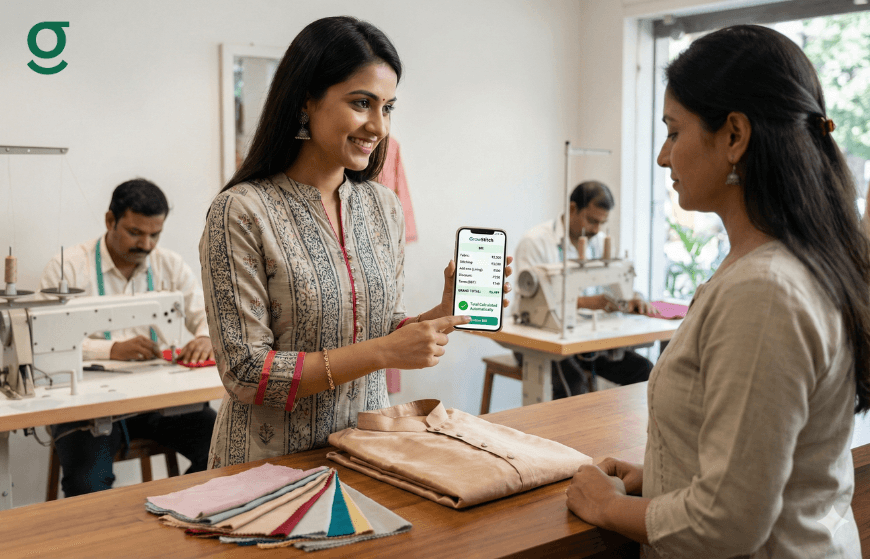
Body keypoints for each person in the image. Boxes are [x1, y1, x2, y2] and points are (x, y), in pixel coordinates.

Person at [565, 25, 870, 558]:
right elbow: (763, 463)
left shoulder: (766, 290)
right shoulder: (788, 264)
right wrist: (659, 476)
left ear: (734, 136)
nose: (663, 157)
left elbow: (728, 522)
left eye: (674, 132)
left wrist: (607, 506)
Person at [200, 16, 512, 468]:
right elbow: (247, 372)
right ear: (307, 100)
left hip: (365, 455)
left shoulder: (382, 206)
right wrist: (383, 352)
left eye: (387, 107)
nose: (379, 126)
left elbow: (375, 331)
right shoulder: (242, 210)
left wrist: (439, 315)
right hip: (266, 466)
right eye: (362, 103)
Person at [40, 178, 217, 497]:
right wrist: (111, 349)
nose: (147, 244)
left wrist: (205, 336)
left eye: (155, 234)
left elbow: (207, 314)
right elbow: (46, 340)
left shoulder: (169, 265)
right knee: (87, 485)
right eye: (135, 233)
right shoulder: (67, 269)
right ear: (110, 221)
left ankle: (170, 511)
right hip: (88, 406)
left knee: (224, 450)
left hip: (157, 399)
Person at [513, 181, 653, 397]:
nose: (596, 230)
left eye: (601, 223)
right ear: (572, 209)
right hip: (538, 336)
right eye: (591, 221)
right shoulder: (535, 242)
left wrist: (631, 298)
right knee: (573, 383)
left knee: (644, 371)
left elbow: (614, 287)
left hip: (583, 338)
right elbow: (533, 302)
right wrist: (590, 303)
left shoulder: (597, 242)